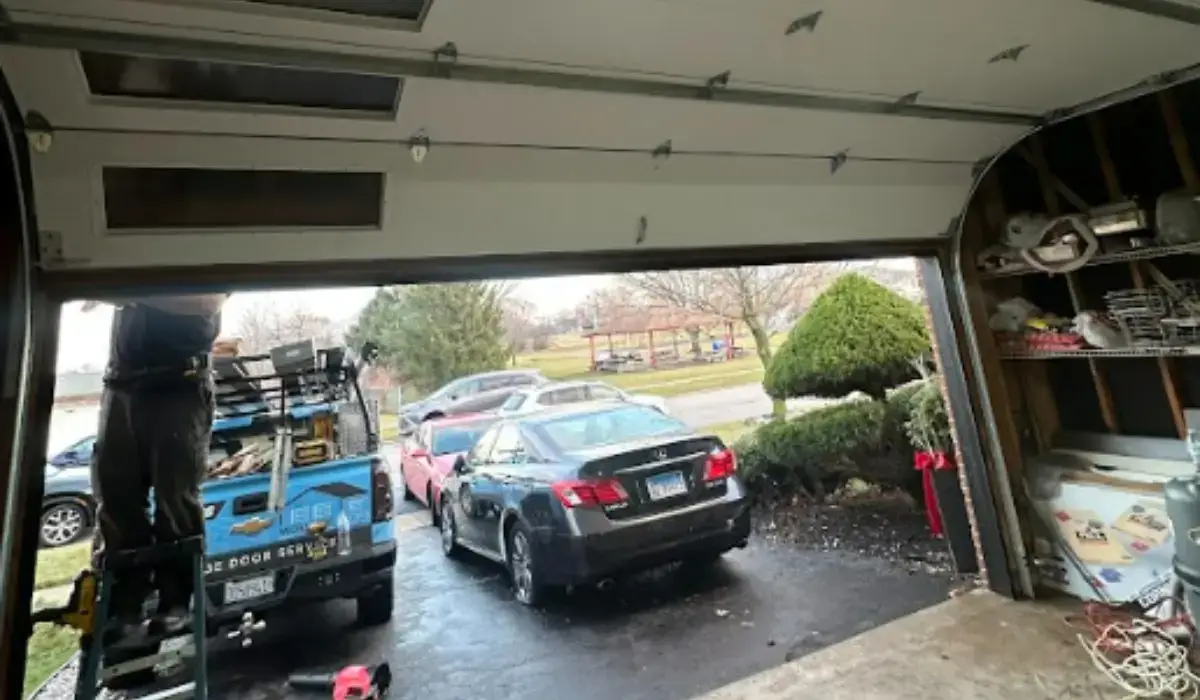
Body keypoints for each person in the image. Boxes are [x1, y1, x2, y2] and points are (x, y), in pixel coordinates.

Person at [83, 294, 230, 640]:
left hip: (179, 383)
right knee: (115, 495)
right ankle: (125, 606)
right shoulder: (130, 254)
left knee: (174, 496)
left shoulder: (205, 247)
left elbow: (207, 302)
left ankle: (176, 603)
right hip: (120, 383)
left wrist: (129, 292)